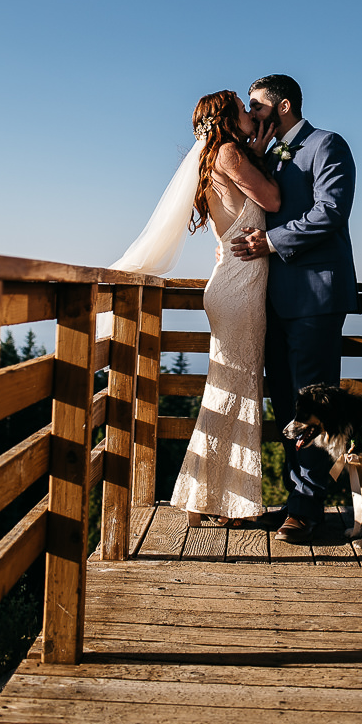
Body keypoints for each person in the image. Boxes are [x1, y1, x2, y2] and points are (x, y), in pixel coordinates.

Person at [110, 89, 279, 526]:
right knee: (234, 394)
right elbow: (274, 201)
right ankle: (216, 501)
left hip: (231, 287)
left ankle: (210, 497)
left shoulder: (215, 158)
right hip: (240, 292)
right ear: (226, 118)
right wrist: (259, 156)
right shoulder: (228, 154)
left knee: (229, 393)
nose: (250, 114)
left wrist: (254, 153)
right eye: (243, 110)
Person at [230, 74, 357, 543]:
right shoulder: (266, 154)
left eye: (257, 106)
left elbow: (331, 211)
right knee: (284, 403)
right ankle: (293, 498)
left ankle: (308, 509)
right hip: (273, 301)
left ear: (282, 106)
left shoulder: (327, 145)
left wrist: (270, 241)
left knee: (313, 407)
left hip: (316, 298)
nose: (251, 113)